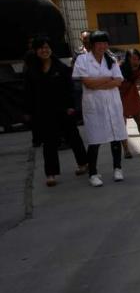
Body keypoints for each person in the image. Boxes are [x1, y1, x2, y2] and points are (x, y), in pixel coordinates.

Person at [24, 36, 88, 186]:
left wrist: (71, 106)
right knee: (49, 143)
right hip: (44, 112)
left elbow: (70, 89)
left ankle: (83, 163)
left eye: (47, 47)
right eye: (41, 48)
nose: (45, 50)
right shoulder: (31, 70)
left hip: (64, 110)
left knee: (73, 137)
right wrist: (28, 111)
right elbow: (28, 93)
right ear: (36, 51)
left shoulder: (61, 67)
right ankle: (51, 174)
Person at [72, 30, 127, 187]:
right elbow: (88, 83)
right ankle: (93, 173)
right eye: (99, 43)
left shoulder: (111, 59)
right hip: (94, 107)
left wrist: (98, 83)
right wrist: (107, 79)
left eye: (105, 43)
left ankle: (117, 168)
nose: (102, 46)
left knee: (116, 137)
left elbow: (118, 81)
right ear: (92, 45)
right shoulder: (82, 60)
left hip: (112, 104)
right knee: (95, 140)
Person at [119, 49, 140, 157]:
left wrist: (135, 70)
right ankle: (126, 150)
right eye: (134, 59)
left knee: (139, 119)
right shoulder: (120, 67)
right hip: (119, 95)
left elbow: (136, 83)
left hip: (132, 94)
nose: (136, 61)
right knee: (122, 123)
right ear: (128, 59)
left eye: (138, 59)